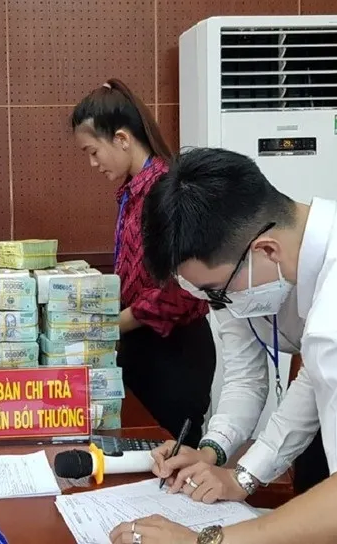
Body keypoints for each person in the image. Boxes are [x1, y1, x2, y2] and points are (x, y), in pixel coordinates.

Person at [109, 147, 337, 544]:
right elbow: (321, 374)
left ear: (266, 250)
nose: (219, 305)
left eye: (216, 292)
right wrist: (243, 473)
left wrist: (202, 541)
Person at [70, 80, 216, 446]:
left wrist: (115, 324)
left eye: (93, 151)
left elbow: (185, 290)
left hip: (174, 352)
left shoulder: (169, 191)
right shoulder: (132, 192)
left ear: (121, 138)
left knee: (170, 457)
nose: (92, 164)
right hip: (140, 342)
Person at [149, 289, 329, 502]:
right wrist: (208, 453)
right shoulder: (220, 287)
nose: (222, 299)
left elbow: (315, 377)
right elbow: (245, 379)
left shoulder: (333, 281)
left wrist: (244, 477)